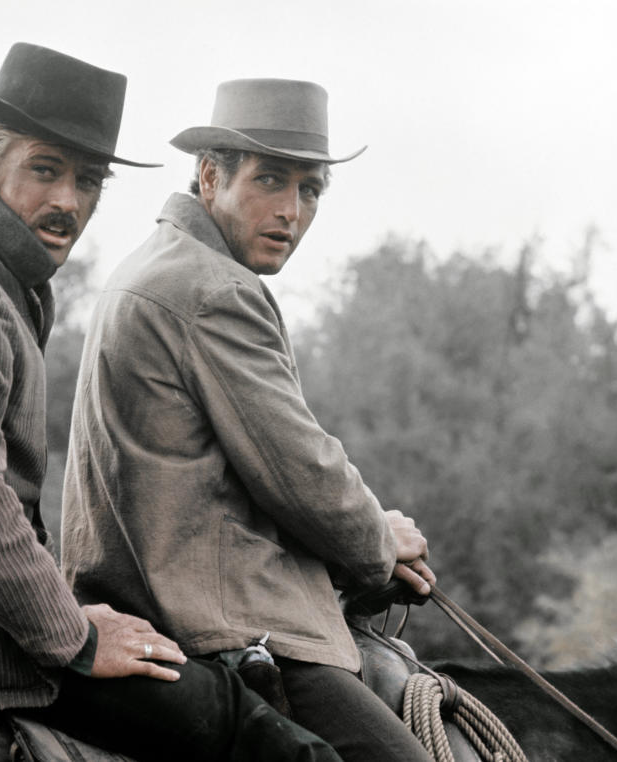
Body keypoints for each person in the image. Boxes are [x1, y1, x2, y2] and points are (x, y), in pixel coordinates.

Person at [0, 46, 341, 762]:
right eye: (45, 170)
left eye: (87, 179)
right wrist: (74, 636)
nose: (69, 202)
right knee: (258, 734)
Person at [61, 78, 437, 761]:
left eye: (310, 190)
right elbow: (302, 471)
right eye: (270, 180)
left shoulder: (149, 267)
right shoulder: (214, 289)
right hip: (226, 624)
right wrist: (380, 540)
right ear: (210, 176)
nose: (290, 210)